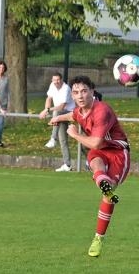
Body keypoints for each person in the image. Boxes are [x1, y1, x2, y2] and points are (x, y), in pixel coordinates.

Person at [50, 75, 130, 257]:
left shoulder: (102, 111)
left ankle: (99, 236)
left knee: (106, 193)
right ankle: (104, 182)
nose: (80, 96)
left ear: (92, 92)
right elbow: (74, 115)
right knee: (95, 161)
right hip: (101, 152)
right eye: (76, 92)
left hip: (118, 153)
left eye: (84, 91)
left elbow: (94, 142)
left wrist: (73, 134)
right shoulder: (80, 111)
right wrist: (59, 118)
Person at [39, 73, 75, 171]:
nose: (56, 82)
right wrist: (46, 108)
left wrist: (47, 110)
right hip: (59, 115)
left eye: (58, 80)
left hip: (70, 112)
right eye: (54, 80)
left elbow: (62, 107)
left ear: (62, 80)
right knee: (63, 140)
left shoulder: (66, 88)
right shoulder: (52, 86)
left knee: (56, 112)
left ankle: (53, 139)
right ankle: (67, 165)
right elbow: (49, 98)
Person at [0, 60, 10, 148]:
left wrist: (8, 102)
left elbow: (8, 92)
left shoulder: (6, 79)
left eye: (3, 68)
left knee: (0, 123)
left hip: (3, 103)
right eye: (0, 67)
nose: (2, 69)